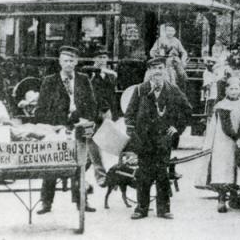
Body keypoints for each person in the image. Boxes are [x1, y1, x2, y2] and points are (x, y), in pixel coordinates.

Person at [125, 57, 191, 219]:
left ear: (165, 70)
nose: (157, 72)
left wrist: (177, 127)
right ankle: (141, 208)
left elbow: (187, 110)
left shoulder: (173, 90)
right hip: (144, 140)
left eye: (160, 68)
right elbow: (129, 114)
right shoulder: (141, 90)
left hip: (163, 140)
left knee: (162, 174)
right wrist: (133, 133)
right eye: (153, 68)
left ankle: (164, 209)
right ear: (149, 72)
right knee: (144, 174)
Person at [36, 46, 97, 215]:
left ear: (76, 62)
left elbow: (92, 105)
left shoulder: (84, 80)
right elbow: (40, 109)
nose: (69, 64)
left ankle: (81, 201)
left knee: (81, 163)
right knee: (52, 163)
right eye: (65, 61)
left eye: (72, 61)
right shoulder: (49, 81)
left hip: (79, 127)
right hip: (57, 128)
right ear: (60, 62)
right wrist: (53, 124)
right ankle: (46, 202)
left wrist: (87, 120)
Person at [203, 78, 240, 212]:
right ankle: (221, 199)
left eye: (236, 89)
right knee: (224, 167)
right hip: (225, 140)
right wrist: (236, 138)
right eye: (231, 89)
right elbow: (226, 126)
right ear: (226, 90)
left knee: (238, 166)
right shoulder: (222, 105)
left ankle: (234, 197)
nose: (234, 91)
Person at [85, 49, 119, 188]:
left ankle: (78, 170)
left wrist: (113, 113)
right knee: (92, 142)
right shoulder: (88, 74)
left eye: (104, 57)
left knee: (102, 142)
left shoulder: (110, 76)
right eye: (99, 57)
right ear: (94, 59)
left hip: (105, 111)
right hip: (90, 113)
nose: (102, 60)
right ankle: (101, 176)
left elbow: (112, 94)